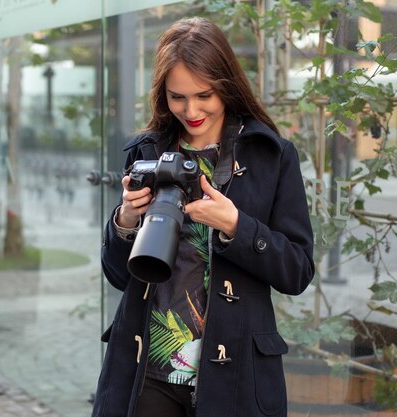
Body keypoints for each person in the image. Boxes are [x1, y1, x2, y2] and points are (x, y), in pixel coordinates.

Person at [92, 17, 314, 417]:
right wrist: (125, 220)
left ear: (226, 86)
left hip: (237, 377)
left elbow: (297, 271)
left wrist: (236, 226)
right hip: (149, 369)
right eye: (178, 97)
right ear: (163, 94)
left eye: (204, 95)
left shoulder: (272, 155)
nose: (191, 110)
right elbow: (119, 277)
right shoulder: (146, 152)